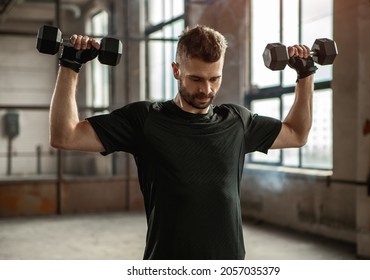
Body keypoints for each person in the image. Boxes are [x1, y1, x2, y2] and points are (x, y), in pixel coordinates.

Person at [49, 25, 316, 260]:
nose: (206, 90)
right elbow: (66, 135)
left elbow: (297, 134)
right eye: (196, 79)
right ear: (176, 70)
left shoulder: (237, 121)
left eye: (215, 79)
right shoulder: (145, 120)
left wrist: (305, 75)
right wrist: (71, 65)